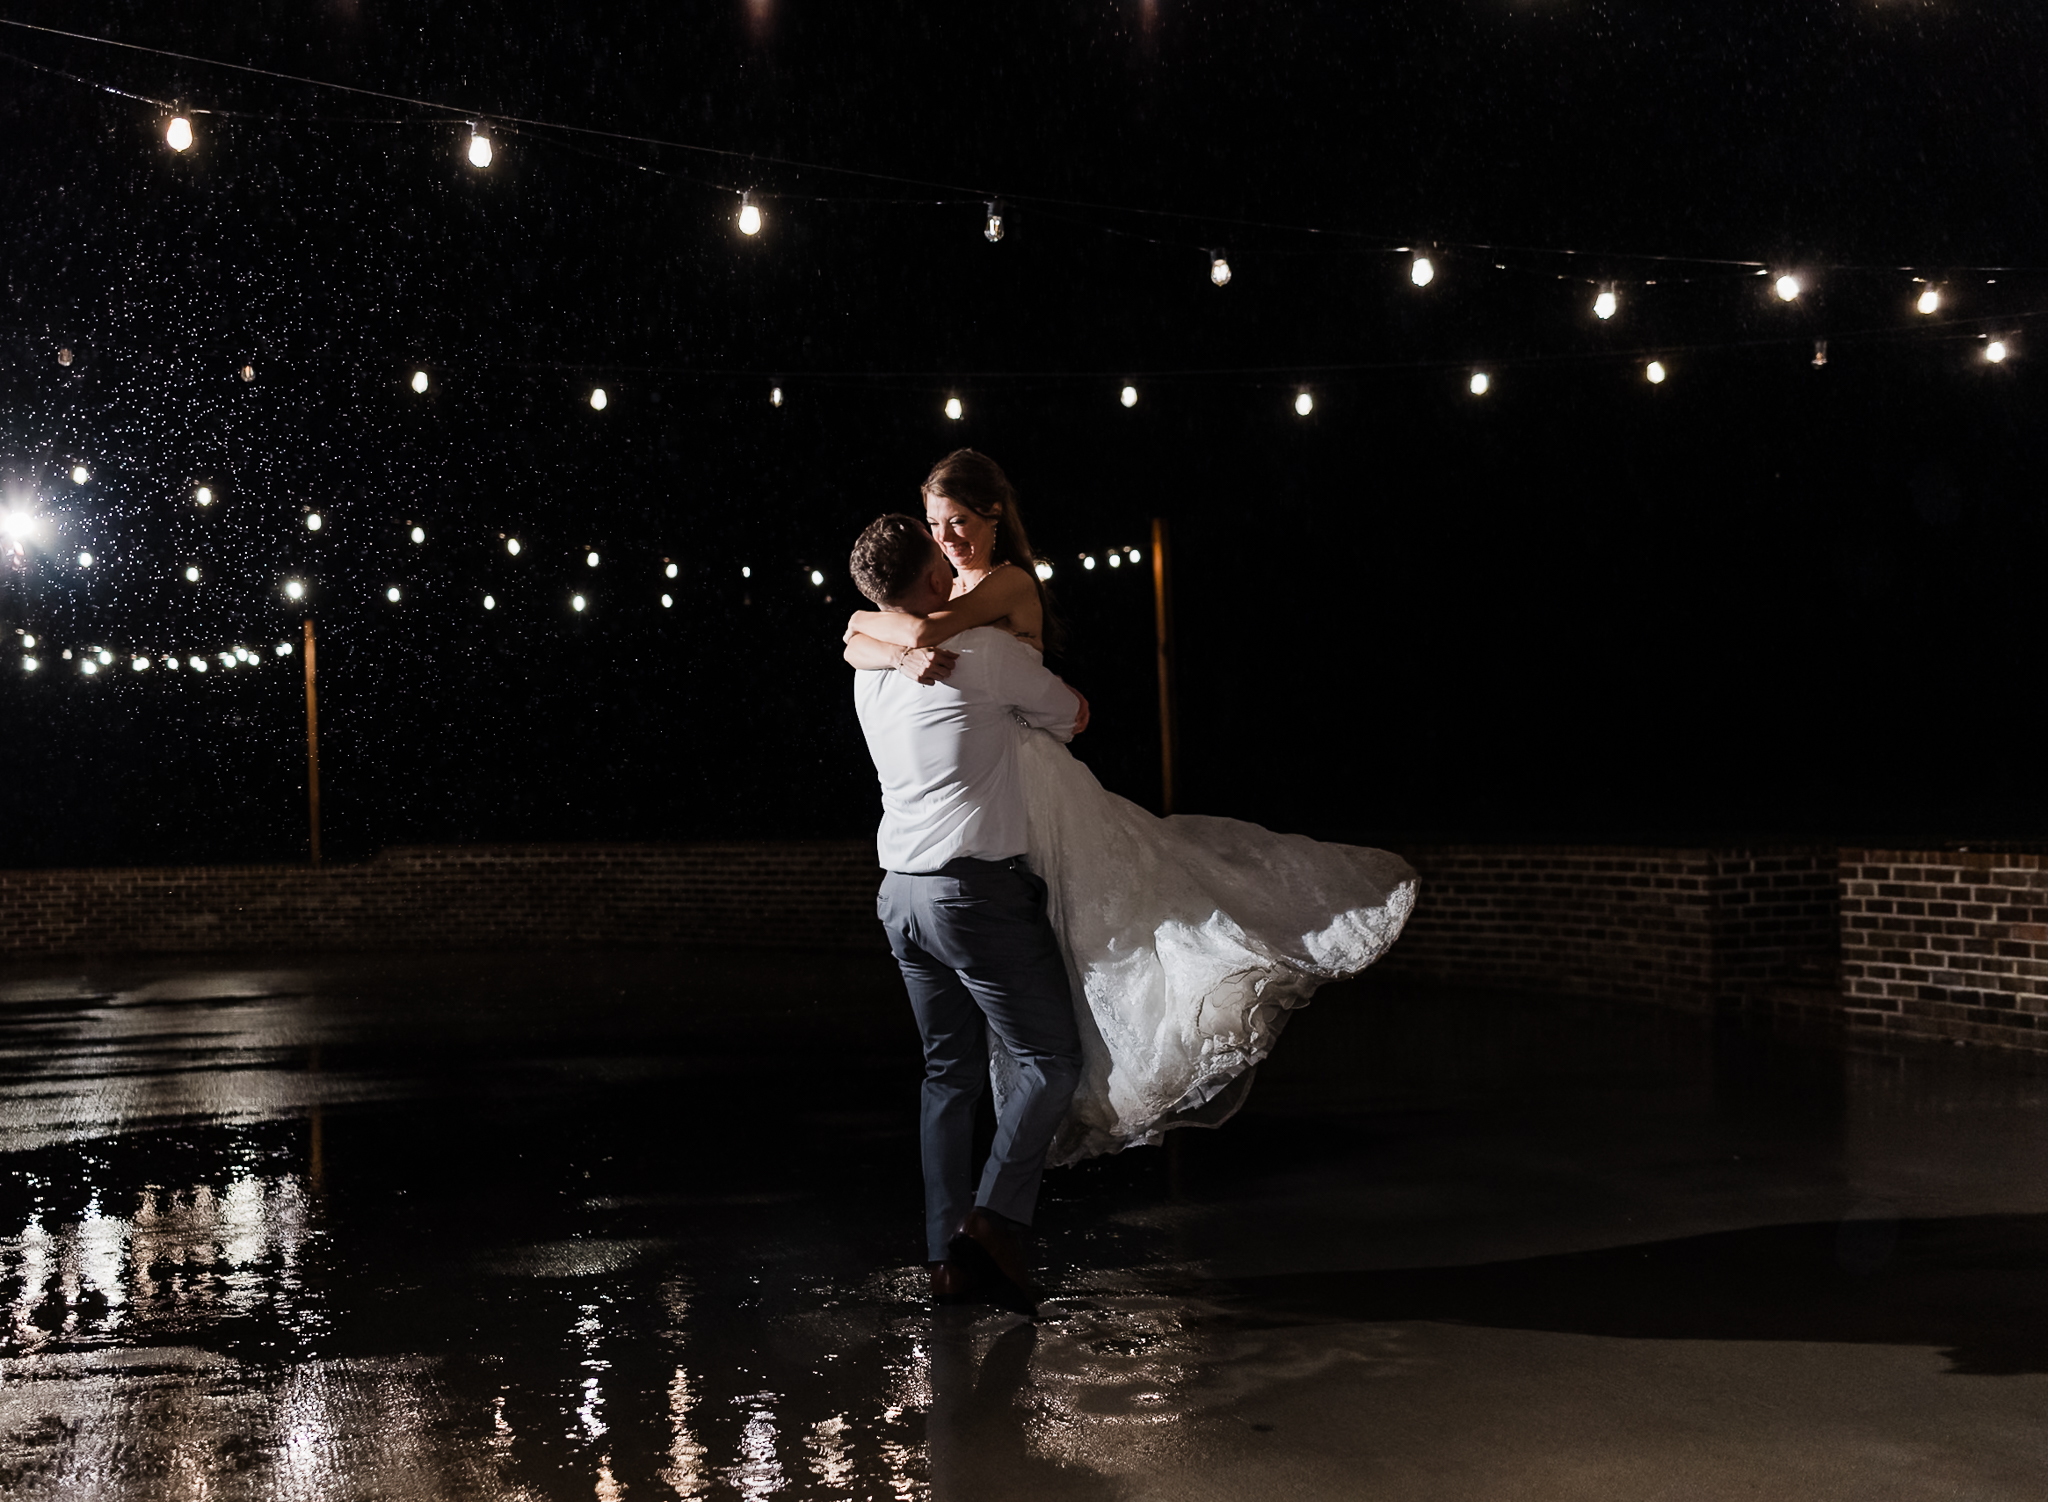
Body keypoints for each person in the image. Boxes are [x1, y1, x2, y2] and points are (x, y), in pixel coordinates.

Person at [847, 450, 1417, 1182]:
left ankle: (1032, 1147)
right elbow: (859, 633)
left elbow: (898, 630)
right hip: (990, 779)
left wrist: (893, 645)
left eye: (959, 520)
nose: (948, 537)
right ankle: (1000, 1189)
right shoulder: (939, 594)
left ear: (992, 517)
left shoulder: (1004, 584)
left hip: (1028, 770)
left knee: (1106, 925)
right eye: (934, 525)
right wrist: (890, 650)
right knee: (1046, 958)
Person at [847, 512, 1092, 1317]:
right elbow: (1073, 716)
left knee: (948, 1077)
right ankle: (988, 1219)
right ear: (929, 581)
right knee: (1050, 1058)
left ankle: (943, 1260)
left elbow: (858, 637)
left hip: (899, 897)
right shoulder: (982, 657)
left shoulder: (871, 672)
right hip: (970, 894)